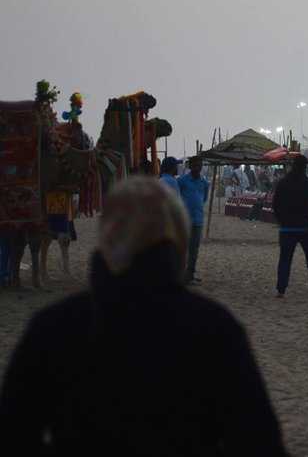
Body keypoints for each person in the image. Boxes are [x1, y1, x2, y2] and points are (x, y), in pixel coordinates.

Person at [0, 176, 285, 454]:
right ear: (179, 243)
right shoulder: (213, 328)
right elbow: (258, 440)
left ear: (106, 237)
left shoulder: (53, 327)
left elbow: (15, 433)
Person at [271, 155, 308, 298]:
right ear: (304, 167)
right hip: (304, 227)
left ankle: (281, 289)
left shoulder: (282, 183)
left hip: (286, 228)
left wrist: (280, 220)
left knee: (285, 260)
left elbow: (275, 205)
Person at [176, 157, 210, 284]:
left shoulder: (204, 183)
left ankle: (190, 275)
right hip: (185, 220)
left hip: (198, 220)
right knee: (183, 248)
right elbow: (177, 197)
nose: (197, 168)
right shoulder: (182, 181)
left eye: (199, 165)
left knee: (194, 250)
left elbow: (204, 199)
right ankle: (181, 274)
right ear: (190, 166)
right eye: (195, 165)